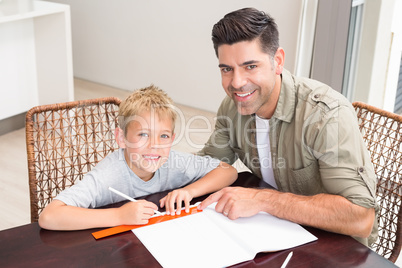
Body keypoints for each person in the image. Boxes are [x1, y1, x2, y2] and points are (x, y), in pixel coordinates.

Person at [198, 7, 378, 246]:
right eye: (227, 69)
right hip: (275, 231)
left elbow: (360, 218)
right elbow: (207, 164)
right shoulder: (232, 107)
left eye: (251, 66)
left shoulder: (326, 116)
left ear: (278, 61)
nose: (237, 83)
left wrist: (263, 200)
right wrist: (148, 164)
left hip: (334, 248)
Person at [39, 85, 237, 230]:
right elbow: (49, 216)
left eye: (164, 136)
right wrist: (119, 215)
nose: (154, 145)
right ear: (122, 138)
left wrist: (188, 191)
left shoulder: (173, 161)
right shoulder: (108, 175)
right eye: (143, 134)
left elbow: (228, 171)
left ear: (172, 139)